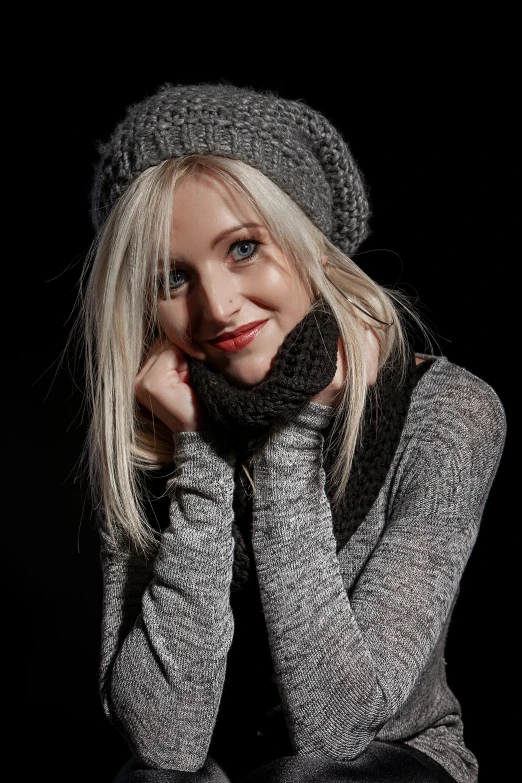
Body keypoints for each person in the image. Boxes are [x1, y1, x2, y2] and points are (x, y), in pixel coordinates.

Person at [81, 83, 506, 783]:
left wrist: (294, 426)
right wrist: (200, 449)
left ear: (308, 242)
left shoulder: (451, 411)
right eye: (172, 276)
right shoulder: (146, 429)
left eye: (244, 247)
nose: (216, 306)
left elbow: (338, 728)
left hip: (385, 766)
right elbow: (163, 741)